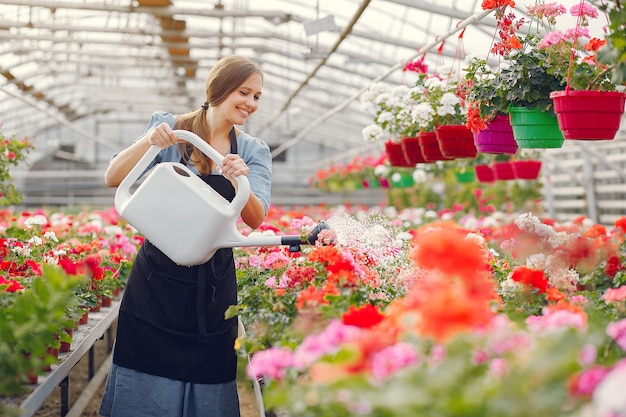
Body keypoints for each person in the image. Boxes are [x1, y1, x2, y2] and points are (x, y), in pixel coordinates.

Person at [99, 55, 272, 417]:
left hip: (212, 285)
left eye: (257, 96)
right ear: (219, 90)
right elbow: (114, 177)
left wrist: (240, 180)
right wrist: (150, 142)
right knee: (144, 368)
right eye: (244, 92)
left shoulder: (253, 151)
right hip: (156, 279)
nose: (251, 104)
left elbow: (256, 219)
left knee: (209, 371)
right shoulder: (171, 128)